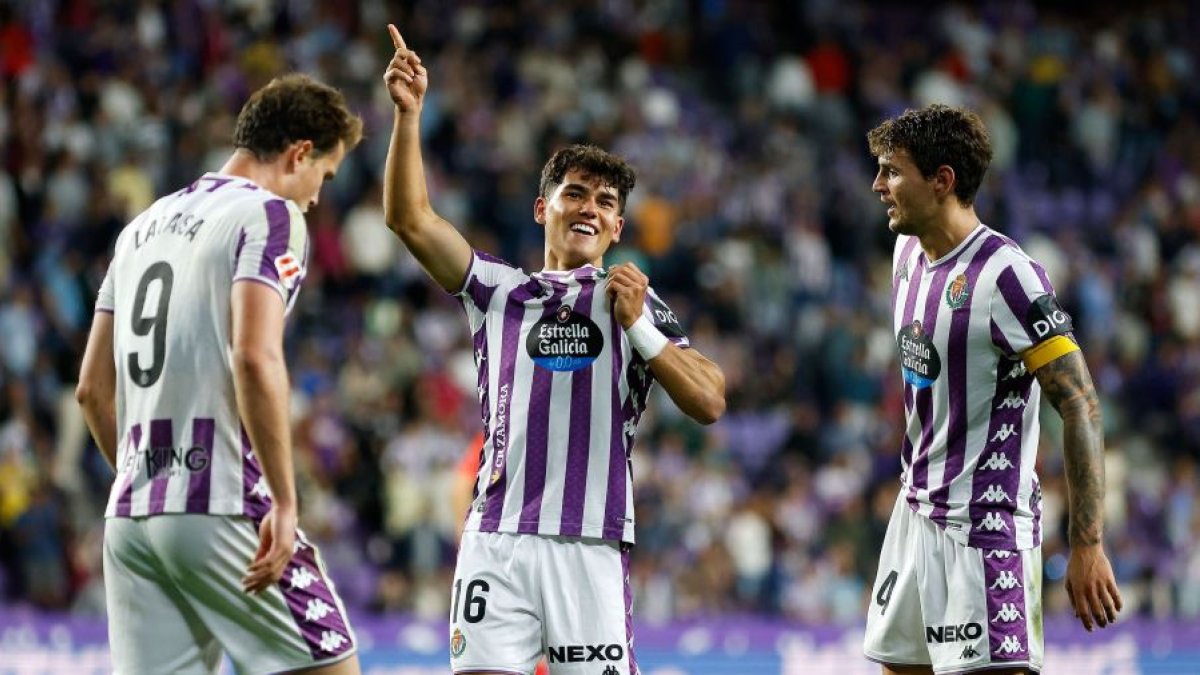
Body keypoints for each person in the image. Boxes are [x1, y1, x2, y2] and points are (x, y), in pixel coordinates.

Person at [381, 24, 726, 675]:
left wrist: (640, 330)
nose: (590, 207)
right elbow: (410, 220)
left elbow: (709, 398)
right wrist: (409, 115)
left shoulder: (633, 300)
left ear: (618, 226)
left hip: (588, 548)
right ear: (543, 208)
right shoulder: (497, 291)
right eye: (575, 192)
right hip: (498, 542)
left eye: (606, 201)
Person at [75, 74, 364, 675]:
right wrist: (284, 501)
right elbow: (255, 356)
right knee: (331, 668)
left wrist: (150, 484)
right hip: (221, 501)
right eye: (324, 178)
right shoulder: (271, 215)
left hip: (131, 517)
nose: (316, 197)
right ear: (300, 153)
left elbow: (91, 390)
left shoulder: (140, 228)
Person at [862, 104, 1123, 675]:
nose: (879, 185)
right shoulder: (906, 255)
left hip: (985, 535)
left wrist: (1087, 545)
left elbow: (1079, 404)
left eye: (892, 171)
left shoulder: (1008, 275)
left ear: (943, 180)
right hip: (914, 520)